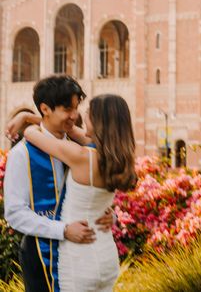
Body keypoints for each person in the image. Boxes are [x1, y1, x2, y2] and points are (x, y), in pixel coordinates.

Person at [4, 75, 114, 292]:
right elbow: (15, 213)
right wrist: (63, 230)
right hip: (41, 252)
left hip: (80, 253)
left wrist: (107, 213)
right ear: (45, 109)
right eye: (67, 108)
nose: (74, 116)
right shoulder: (22, 154)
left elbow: (89, 195)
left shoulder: (82, 149)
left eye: (76, 107)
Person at [23, 93, 137, 292]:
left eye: (89, 112)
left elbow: (32, 135)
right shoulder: (119, 158)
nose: (82, 114)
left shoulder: (81, 156)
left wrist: (27, 122)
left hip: (79, 258)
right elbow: (76, 133)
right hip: (106, 254)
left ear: (100, 121)